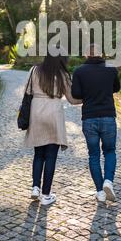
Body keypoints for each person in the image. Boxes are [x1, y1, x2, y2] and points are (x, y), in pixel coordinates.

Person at [23, 54, 81, 206]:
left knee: (38, 154)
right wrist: (90, 97)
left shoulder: (34, 70)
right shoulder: (62, 75)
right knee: (50, 156)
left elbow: (27, 92)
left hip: (36, 112)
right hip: (54, 113)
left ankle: (35, 187)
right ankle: (46, 194)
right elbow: (73, 99)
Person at [71, 44, 120, 203]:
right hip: (108, 116)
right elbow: (116, 88)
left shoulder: (79, 71)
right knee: (110, 151)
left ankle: (100, 191)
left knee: (93, 155)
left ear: (86, 54)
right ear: (101, 53)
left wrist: (89, 91)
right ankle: (108, 181)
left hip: (89, 118)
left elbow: (76, 94)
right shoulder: (111, 69)